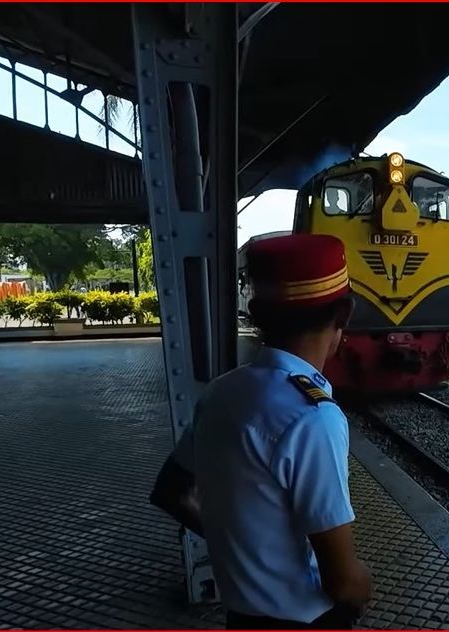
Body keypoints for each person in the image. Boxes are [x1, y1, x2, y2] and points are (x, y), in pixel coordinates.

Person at [149, 233, 373, 630]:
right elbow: (343, 583)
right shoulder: (313, 418)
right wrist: (361, 593)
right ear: (345, 315)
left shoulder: (221, 391)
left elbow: (171, 491)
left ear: (255, 312)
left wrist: (236, 544)